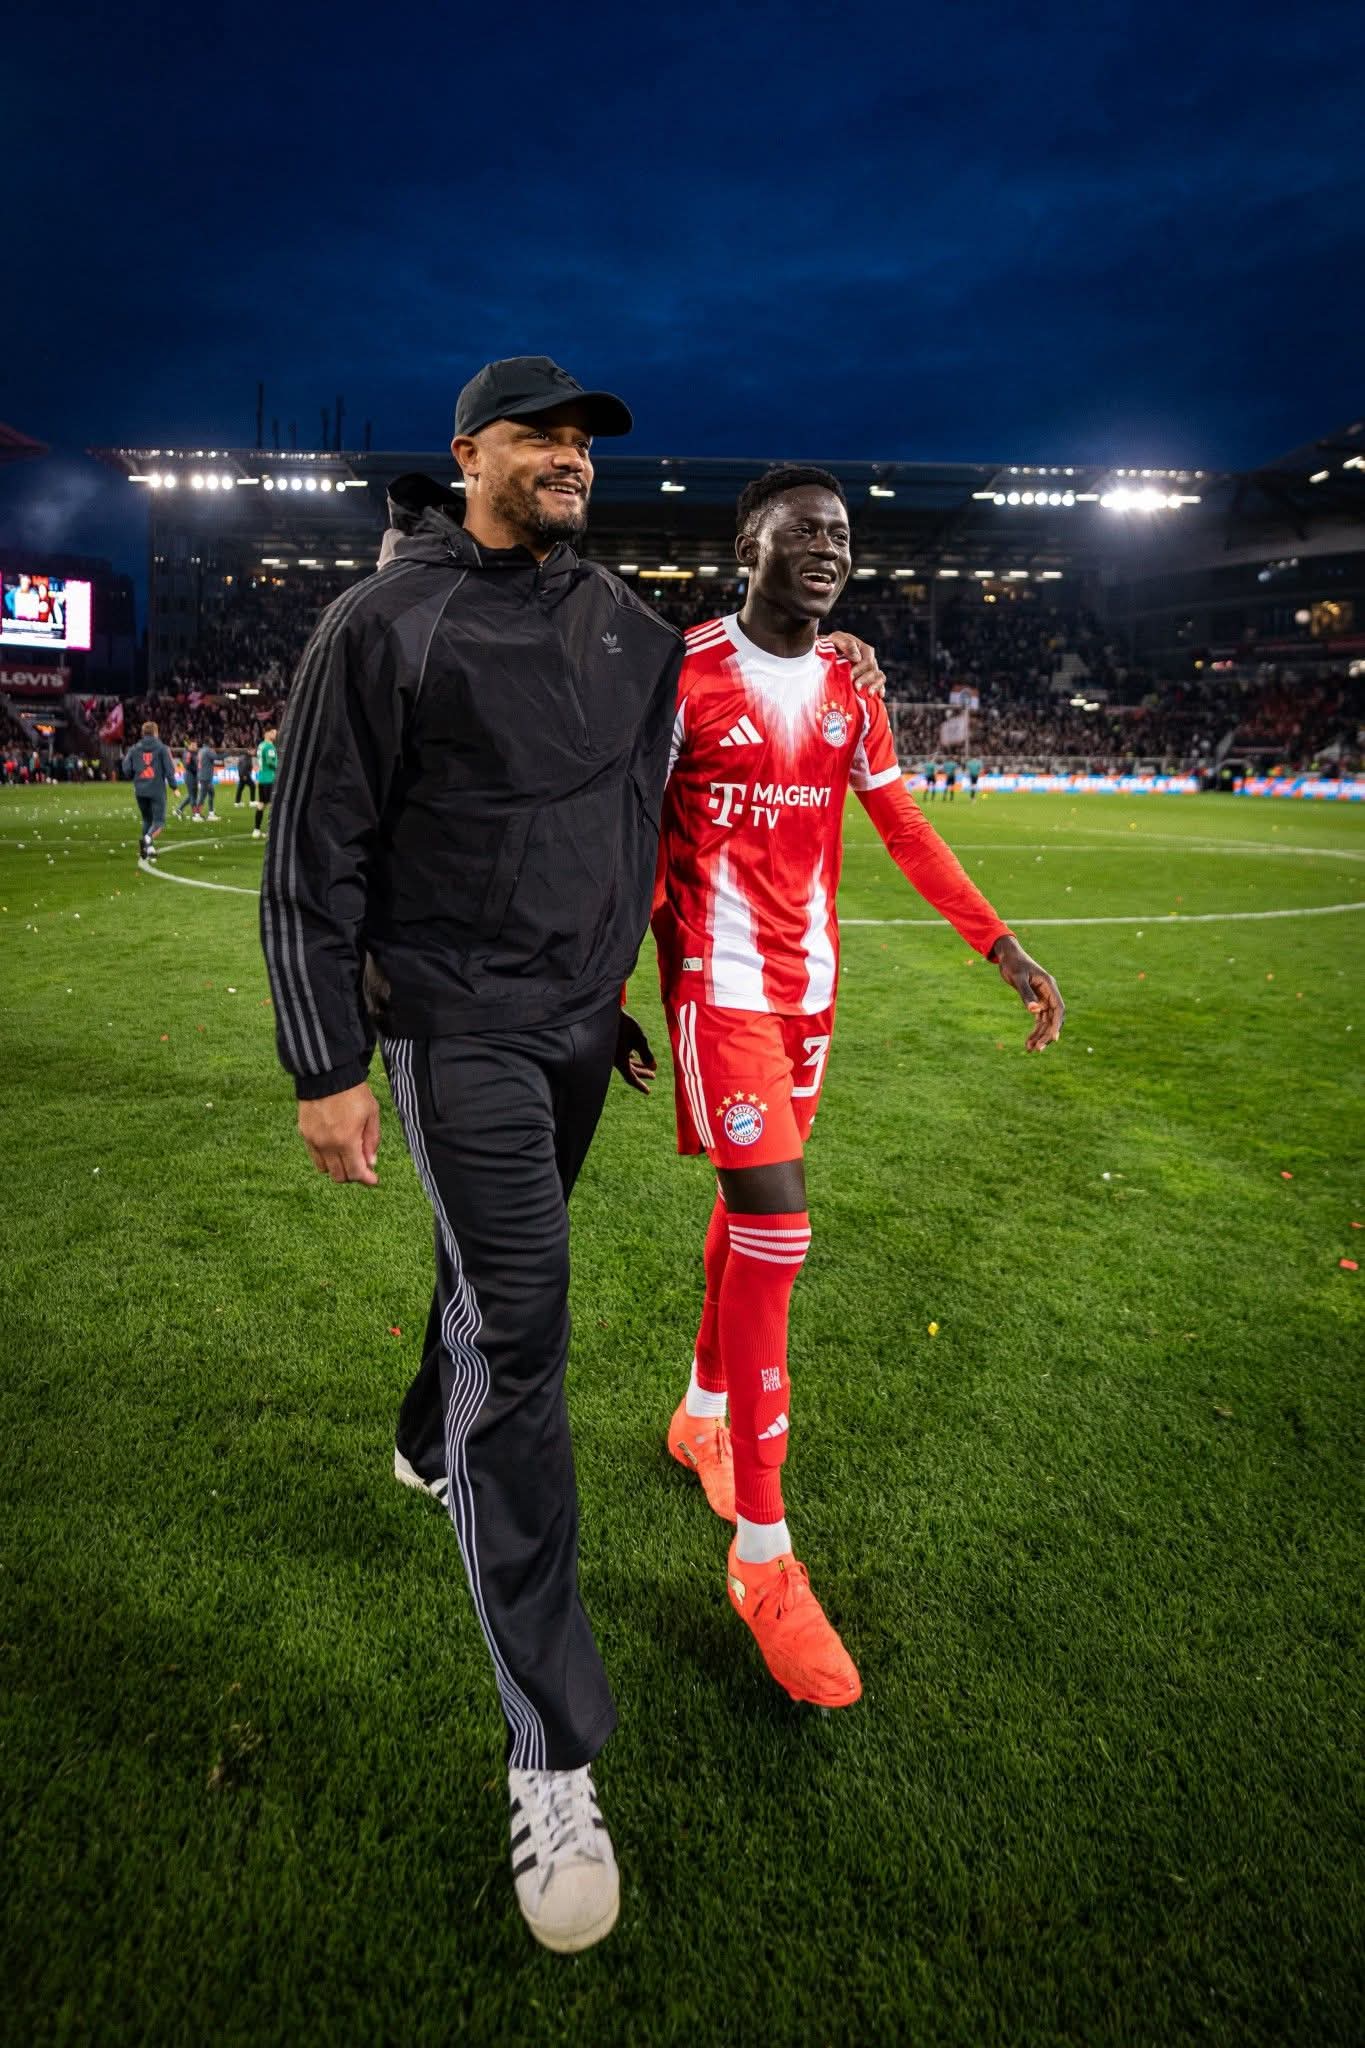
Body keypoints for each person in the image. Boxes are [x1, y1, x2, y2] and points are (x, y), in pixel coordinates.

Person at [258, 359, 881, 1956]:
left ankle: (424, 1420)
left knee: (490, 1285)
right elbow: (310, 853)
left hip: (580, 1033)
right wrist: (327, 1066)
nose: (567, 461)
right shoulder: (378, 626)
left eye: (585, 443)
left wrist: (827, 649)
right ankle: (553, 1754)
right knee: (525, 1330)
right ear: (468, 454)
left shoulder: (625, 630)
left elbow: (704, 754)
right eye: (535, 438)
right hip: (448, 1031)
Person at [651, 465, 1065, 1709]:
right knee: (778, 1225)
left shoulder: (849, 685)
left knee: (744, 1216)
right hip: (715, 990)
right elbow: (619, 827)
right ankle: (765, 1557)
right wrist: (593, 989)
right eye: (805, 529)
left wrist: (1001, 942)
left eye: (842, 534)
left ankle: (699, 1409)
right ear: (749, 543)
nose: (829, 548)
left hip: (809, 994)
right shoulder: (680, 673)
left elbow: (904, 829)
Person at [122, 719, 179, 861]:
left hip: (140, 790)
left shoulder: (134, 748)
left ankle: (147, 849)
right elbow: (169, 769)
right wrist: (174, 787)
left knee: (147, 819)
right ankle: (147, 840)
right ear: (155, 733)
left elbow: (126, 768)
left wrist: (134, 776)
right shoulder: (162, 748)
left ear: (143, 733)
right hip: (156, 789)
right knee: (159, 822)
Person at [251, 728, 277, 838]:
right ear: (267, 734)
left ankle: (256, 830)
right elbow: (271, 762)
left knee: (261, 804)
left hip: (261, 778)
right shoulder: (269, 746)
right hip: (269, 778)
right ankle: (270, 832)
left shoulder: (261, 745)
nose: (275, 735)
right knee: (272, 806)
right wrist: (280, 766)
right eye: (273, 733)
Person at [195, 741, 217, 818]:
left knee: (211, 793)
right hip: (205, 777)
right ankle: (197, 814)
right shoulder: (208, 751)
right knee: (202, 796)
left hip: (203, 775)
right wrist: (227, 753)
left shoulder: (201, 750)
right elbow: (216, 757)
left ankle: (211, 813)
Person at [176, 747, 199, 818]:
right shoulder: (188, 754)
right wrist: (197, 769)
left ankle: (179, 809)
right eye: (193, 744)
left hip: (192, 776)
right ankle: (195, 814)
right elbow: (188, 765)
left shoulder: (190, 753)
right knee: (192, 796)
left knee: (191, 795)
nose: (195, 746)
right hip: (190, 776)